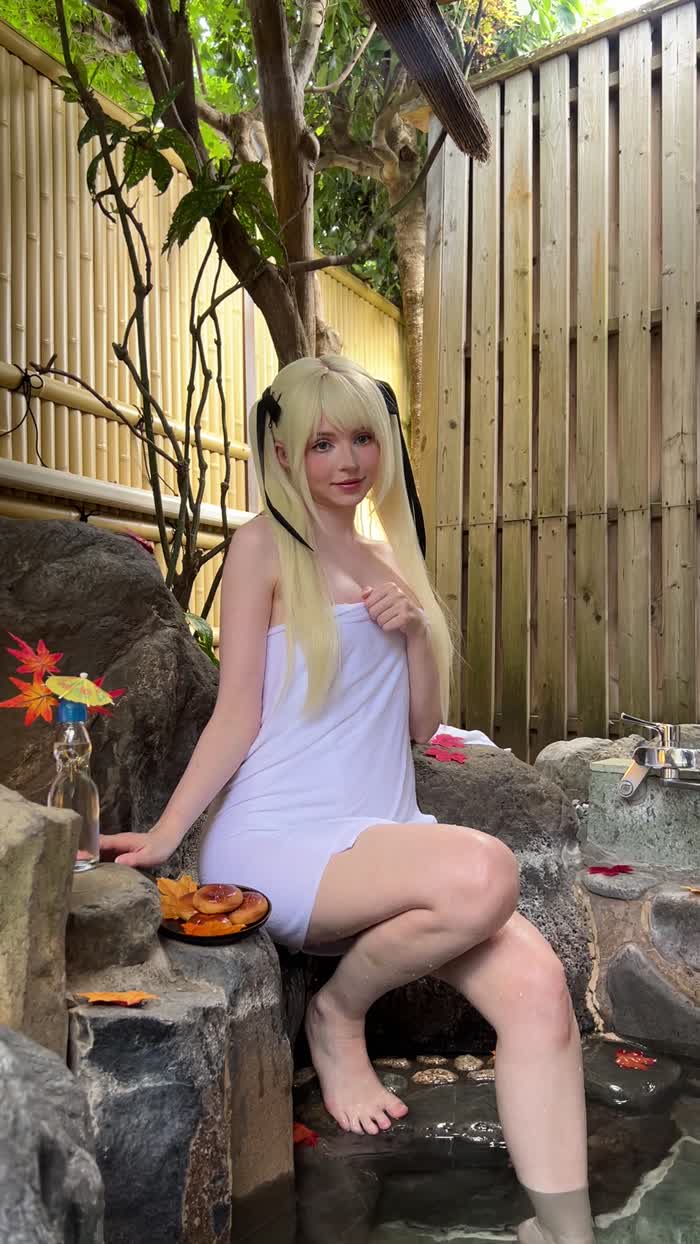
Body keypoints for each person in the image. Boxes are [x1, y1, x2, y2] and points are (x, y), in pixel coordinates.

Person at [102, 355, 596, 1244]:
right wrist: (168, 835)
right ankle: (338, 1012)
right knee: (485, 870)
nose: (346, 460)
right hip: (280, 837)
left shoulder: (385, 558)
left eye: (362, 438)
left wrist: (414, 636)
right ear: (282, 451)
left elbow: (420, 726)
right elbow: (236, 714)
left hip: (381, 834)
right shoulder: (262, 547)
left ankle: (568, 1234)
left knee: (539, 990)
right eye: (321, 442)